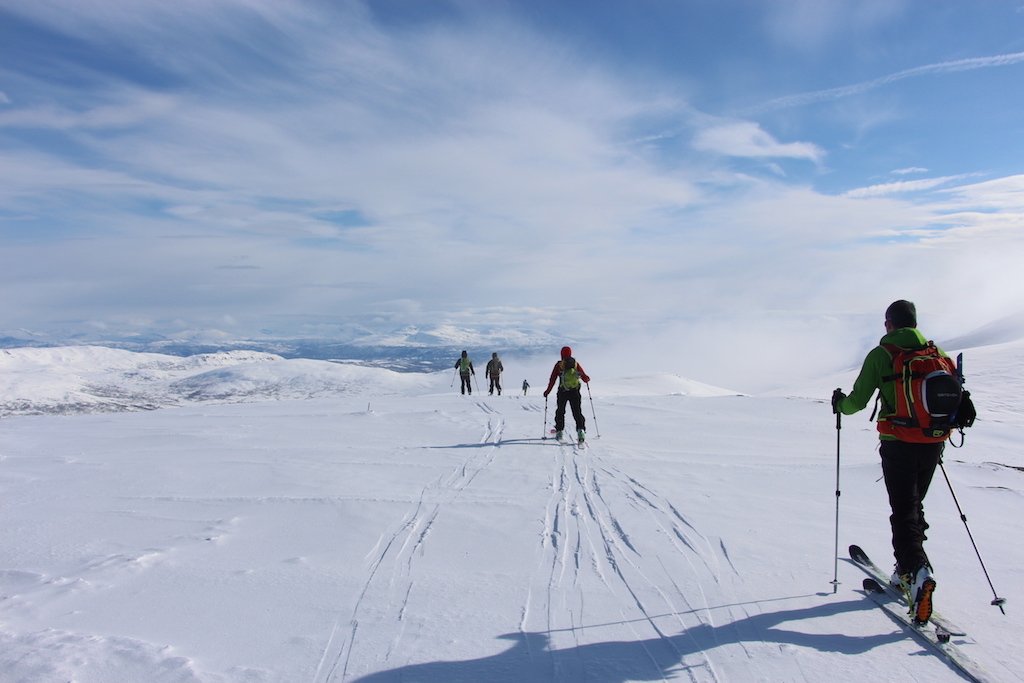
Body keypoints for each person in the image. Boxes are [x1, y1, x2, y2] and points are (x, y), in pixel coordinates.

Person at [832, 300, 945, 624]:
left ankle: (918, 573)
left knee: (903, 510)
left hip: (899, 444)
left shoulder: (882, 355)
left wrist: (840, 405)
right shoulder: (937, 354)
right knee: (913, 507)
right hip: (934, 442)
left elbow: (857, 402)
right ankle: (904, 570)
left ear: (889, 324)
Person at [543, 346, 590, 442]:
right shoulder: (575, 364)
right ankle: (581, 431)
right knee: (577, 412)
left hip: (562, 391)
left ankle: (559, 431)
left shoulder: (559, 365)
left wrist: (547, 391)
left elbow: (552, 379)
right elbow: (584, 377)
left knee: (560, 411)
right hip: (575, 391)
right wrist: (586, 379)